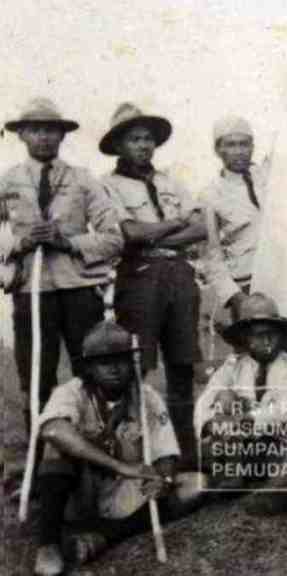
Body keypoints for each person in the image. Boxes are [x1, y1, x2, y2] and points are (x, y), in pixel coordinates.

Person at [32, 320, 205, 575]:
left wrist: (163, 479)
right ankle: (48, 545)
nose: (114, 368)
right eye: (104, 362)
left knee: (195, 484)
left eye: (121, 360)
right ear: (89, 367)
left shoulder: (147, 397)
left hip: (124, 493)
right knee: (55, 448)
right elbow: (53, 430)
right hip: (81, 491)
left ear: (132, 362)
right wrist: (120, 466)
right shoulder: (71, 392)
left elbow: (166, 452)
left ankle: (104, 535)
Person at [1, 98, 123, 438]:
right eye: (35, 130)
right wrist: (20, 243)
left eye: (51, 130)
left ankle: (96, 449)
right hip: (31, 291)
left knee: (91, 371)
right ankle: (39, 457)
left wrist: (68, 242)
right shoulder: (7, 182)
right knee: (36, 377)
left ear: (62, 135)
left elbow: (114, 238)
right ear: (22, 135)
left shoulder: (83, 180)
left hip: (80, 289)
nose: (44, 137)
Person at [100, 103, 207, 465]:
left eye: (148, 138)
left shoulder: (171, 181)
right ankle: (139, 450)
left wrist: (157, 233)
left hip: (180, 274)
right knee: (137, 364)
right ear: (118, 145)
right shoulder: (108, 185)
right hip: (139, 276)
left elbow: (201, 228)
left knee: (183, 363)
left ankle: (185, 454)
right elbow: (131, 233)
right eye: (134, 139)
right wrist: (174, 225)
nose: (143, 145)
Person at [193, 293, 287, 515]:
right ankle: (233, 474)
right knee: (224, 397)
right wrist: (213, 425)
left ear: (281, 334)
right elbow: (204, 403)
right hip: (240, 446)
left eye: (271, 334)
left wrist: (245, 421)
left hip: (282, 442)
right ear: (246, 338)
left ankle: (271, 493)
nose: (267, 341)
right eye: (259, 335)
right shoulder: (233, 366)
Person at [201, 116, 287, 354]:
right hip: (247, 288)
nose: (239, 151)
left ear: (253, 146)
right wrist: (236, 298)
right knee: (251, 359)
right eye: (231, 145)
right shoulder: (211, 195)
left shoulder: (270, 175)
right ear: (218, 150)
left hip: (283, 282)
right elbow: (211, 256)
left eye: (244, 144)